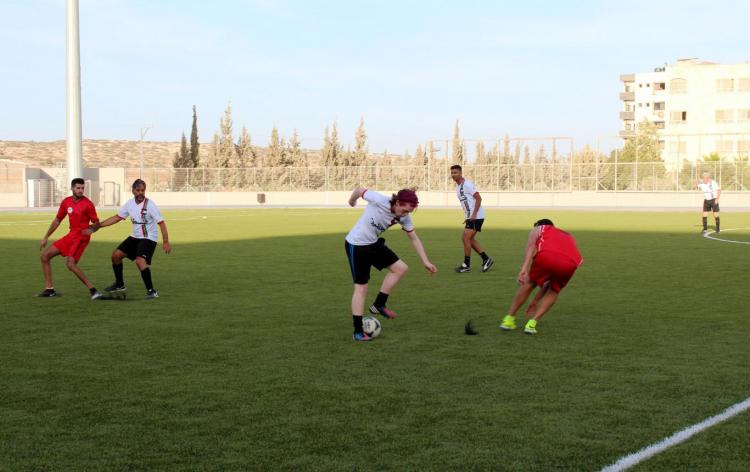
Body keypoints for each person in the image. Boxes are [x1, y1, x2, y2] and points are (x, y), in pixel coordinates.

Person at [346, 187, 438, 341]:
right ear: (397, 202)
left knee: (400, 268)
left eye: (408, 212)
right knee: (361, 288)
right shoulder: (379, 200)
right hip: (357, 245)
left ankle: (378, 305)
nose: (404, 214)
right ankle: (357, 331)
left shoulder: (404, 217)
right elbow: (359, 189)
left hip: (373, 244)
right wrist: (352, 201)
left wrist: (426, 261)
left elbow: (414, 238)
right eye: (403, 210)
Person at [86, 179, 171, 299]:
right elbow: (117, 217)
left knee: (140, 261)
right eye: (138, 190)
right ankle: (119, 284)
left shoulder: (150, 205)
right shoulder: (130, 204)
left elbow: (161, 223)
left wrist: (166, 241)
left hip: (148, 238)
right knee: (116, 256)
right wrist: (99, 225)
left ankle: (152, 291)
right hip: (135, 237)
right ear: (133, 191)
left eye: (143, 190)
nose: (141, 193)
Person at [500, 219, 582, 335]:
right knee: (554, 290)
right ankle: (532, 324)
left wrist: (524, 268)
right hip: (571, 263)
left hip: (547, 256)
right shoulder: (567, 235)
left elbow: (530, 247)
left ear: (539, 225)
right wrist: (534, 301)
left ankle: (509, 320)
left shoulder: (539, 228)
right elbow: (548, 284)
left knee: (530, 283)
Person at [38, 178, 103, 299]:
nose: (80, 190)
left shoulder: (88, 204)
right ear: (72, 188)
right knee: (44, 256)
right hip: (71, 235)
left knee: (70, 264)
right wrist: (46, 237)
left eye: (82, 188)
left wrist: (91, 230)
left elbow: (96, 223)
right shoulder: (66, 202)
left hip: (81, 238)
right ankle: (49, 289)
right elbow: (57, 220)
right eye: (78, 188)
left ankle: (94, 291)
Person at [450, 165, 494, 273]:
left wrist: (473, 215)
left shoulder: (467, 184)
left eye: (455, 172)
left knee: (465, 238)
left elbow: (478, 198)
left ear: (460, 173)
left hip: (477, 216)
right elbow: (467, 203)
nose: (453, 175)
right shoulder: (458, 187)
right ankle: (486, 259)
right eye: (452, 173)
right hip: (471, 217)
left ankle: (466, 265)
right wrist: (467, 217)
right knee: (469, 239)